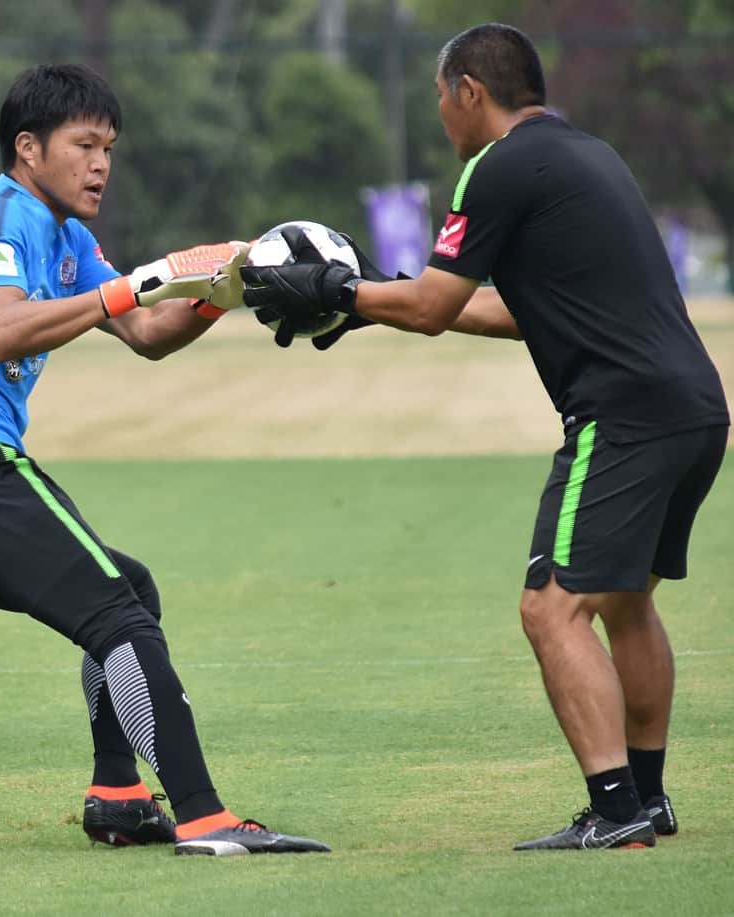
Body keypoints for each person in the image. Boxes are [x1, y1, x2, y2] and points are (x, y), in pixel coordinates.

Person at [241, 23, 729, 850]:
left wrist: (336, 287)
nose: (441, 115)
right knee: (624, 599)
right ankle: (646, 799)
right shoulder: (586, 154)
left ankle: (616, 814)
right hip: (694, 408)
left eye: (440, 97)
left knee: (550, 610)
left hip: (623, 416)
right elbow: (513, 309)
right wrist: (373, 302)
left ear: (470, 89)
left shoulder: (495, 166)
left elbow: (431, 309)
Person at [0, 63, 329, 857]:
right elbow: (1, 330)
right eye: (84, 144)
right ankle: (205, 816)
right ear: (27, 148)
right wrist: (133, 288)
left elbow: (147, 335)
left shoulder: (69, 237)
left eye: (108, 147)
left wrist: (224, 292)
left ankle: (118, 798)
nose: (100, 163)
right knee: (118, 611)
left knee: (128, 590)